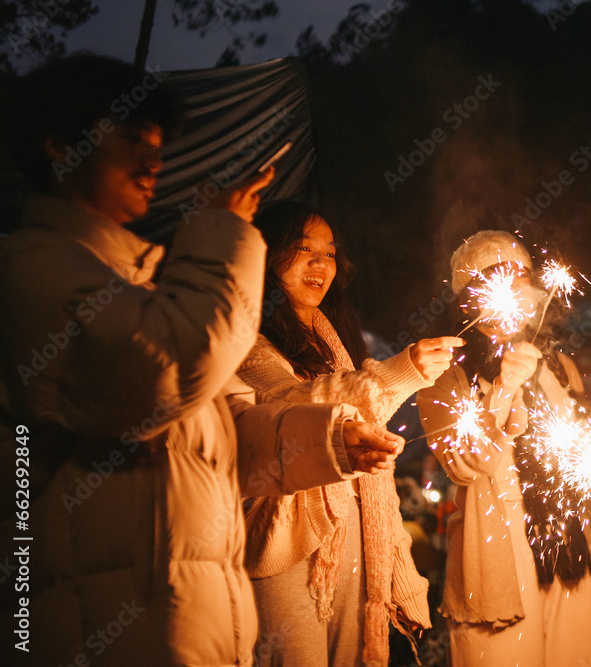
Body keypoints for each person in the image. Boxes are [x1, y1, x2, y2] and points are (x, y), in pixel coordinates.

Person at [0, 55, 402, 666]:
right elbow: (162, 378)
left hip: (189, 613)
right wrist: (220, 234)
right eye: (132, 138)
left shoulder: (147, 286)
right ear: (60, 147)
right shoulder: (31, 272)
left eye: (159, 144)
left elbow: (223, 434)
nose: (153, 161)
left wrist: (328, 442)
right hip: (107, 619)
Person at [236, 200, 464, 666]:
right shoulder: (245, 342)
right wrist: (403, 371)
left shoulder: (334, 342)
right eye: (303, 250)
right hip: (289, 551)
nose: (320, 264)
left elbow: (370, 469)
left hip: (356, 545)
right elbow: (294, 404)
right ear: (267, 255)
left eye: (329, 253)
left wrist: (402, 573)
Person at [416, 230, 591, 667]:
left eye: (522, 275)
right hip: (501, 561)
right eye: (499, 277)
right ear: (470, 295)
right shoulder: (446, 373)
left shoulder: (559, 365)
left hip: (574, 555)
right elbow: (465, 465)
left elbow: (582, 464)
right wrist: (505, 385)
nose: (515, 286)